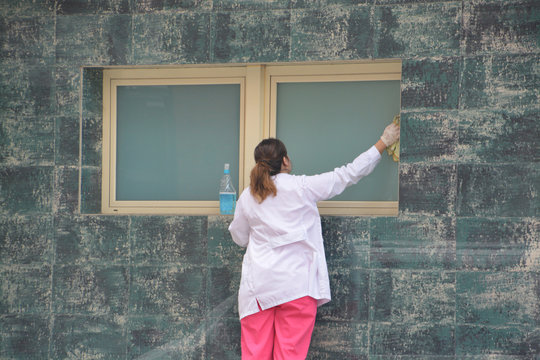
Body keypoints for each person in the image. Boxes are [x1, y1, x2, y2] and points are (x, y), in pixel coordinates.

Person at [228, 122, 400, 360]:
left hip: (258, 289)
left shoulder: (248, 195)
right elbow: (347, 174)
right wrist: (383, 142)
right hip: (297, 286)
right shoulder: (302, 187)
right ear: (285, 161)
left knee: (255, 355)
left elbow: (239, 237)